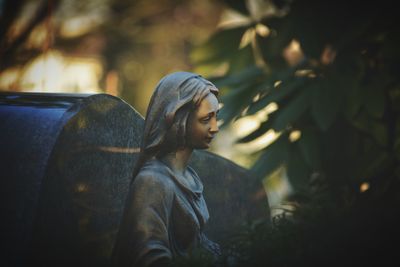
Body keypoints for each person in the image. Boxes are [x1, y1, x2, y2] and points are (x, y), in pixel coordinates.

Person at [112, 72, 221, 267]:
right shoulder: (153, 182)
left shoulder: (189, 177)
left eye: (216, 117)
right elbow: (150, 258)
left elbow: (192, 241)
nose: (215, 127)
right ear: (179, 120)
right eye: (206, 119)